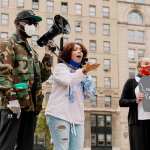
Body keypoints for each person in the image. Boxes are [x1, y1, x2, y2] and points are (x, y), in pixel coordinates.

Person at [0, 10, 52, 150]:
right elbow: (3, 74)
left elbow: (41, 77)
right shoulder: (8, 43)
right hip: (13, 106)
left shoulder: (32, 51)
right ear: (18, 24)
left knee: (26, 146)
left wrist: (47, 55)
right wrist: (11, 98)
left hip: (31, 107)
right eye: (29, 22)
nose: (33, 25)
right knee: (6, 146)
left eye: (35, 23)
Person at [45, 42, 100, 150]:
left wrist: (87, 77)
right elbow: (68, 80)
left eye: (81, 50)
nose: (79, 51)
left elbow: (89, 94)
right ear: (68, 53)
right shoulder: (60, 68)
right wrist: (83, 71)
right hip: (58, 115)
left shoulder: (82, 73)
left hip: (77, 118)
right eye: (75, 49)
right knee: (62, 148)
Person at [119, 57, 150, 150]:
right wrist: (135, 101)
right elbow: (121, 102)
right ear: (139, 67)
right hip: (137, 123)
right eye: (146, 64)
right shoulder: (131, 82)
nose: (149, 66)